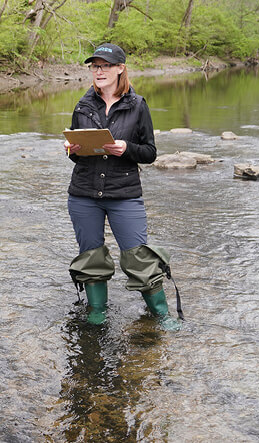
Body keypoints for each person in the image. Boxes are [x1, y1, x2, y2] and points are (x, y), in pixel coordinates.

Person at [64, 43, 181, 330]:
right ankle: (97, 312)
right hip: (83, 194)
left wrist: (126, 148)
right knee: (90, 256)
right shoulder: (83, 105)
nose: (99, 71)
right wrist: (72, 149)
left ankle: (161, 315)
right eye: (95, 66)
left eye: (105, 66)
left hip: (124, 193)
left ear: (120, 69)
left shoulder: (137, 105)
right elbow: (76, 154)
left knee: (138, 257)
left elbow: (150, 153)